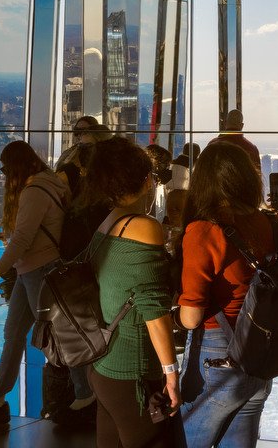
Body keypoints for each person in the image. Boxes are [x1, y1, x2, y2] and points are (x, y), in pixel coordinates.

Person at [176, 142, 278, 447]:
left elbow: (191, 317)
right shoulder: (275, 227)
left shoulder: (204, 231)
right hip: (263, 352)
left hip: (218, 353)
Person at [0, 141, 94, 425]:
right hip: (31, 271)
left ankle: (85, 396)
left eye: (7, 168)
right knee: (15, 334)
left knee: (58, 336)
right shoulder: (49, 184)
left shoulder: (34, 191)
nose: (5, 175)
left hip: (39, 271)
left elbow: (22, 239)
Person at [83, 136, 179, 446]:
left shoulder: (109, 221)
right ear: (148, 179)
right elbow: (153, 309)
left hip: (103, 366)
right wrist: (171, 372)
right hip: (134, 373)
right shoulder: (143, 226)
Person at [206, 109, 261, 178]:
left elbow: (206, 174)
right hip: (243, 188)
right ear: (241, 125)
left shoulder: (212, 145)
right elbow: (257, 178)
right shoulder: (251, 148)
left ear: (225, 123)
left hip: (218, 188)